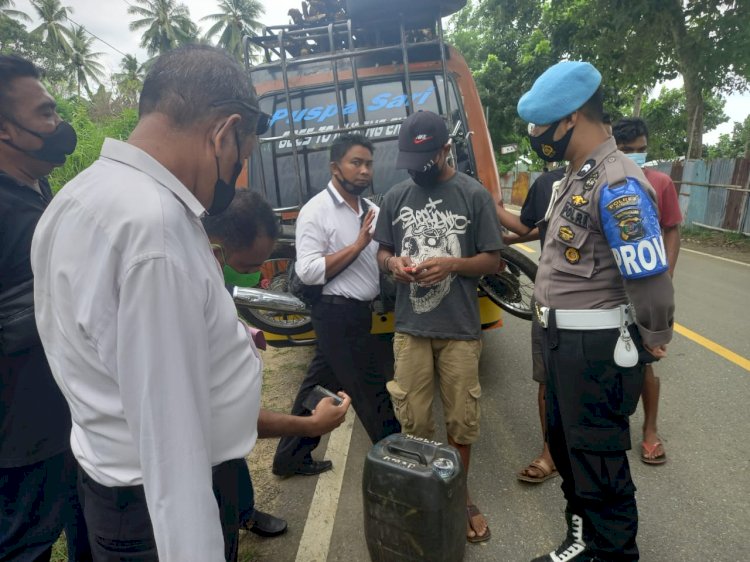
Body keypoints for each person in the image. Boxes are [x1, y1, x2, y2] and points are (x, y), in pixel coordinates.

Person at [31, 46, 351, 562]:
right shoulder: (155, 231)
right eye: (240, 157)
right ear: (223, 134)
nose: (233, 176)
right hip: (161, 508)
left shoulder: (75, 197)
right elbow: (172, 441)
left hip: (113, 490)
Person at [518, 61, 674, 561]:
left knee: (600, 462)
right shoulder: (572, 175)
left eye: (541, 126)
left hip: (597, 346)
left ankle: (614, 554)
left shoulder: (618, 182)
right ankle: (582, 543)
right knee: (568, 451)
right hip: (563, 339)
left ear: (571, 119)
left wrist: (653, 333)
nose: (537, 136)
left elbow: (647, 273)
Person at [374, 111, 503, 543]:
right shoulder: (395, 197)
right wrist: (394, 265)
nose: (416, 166)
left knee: (461, 422)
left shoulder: (473, 195)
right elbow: (383, 251)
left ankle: (457, 495)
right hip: (410, 326)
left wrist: (453, 264)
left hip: (460, 329)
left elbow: (493, 259)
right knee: (413, 420)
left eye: (425, 157)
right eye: (410, 158)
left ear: (446, 149)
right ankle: (424, 494)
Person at [0, 55, 91, 562]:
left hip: (68, 413)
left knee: (87, 527)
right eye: (46, 113)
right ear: (5, 130)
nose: (60, 126)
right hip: (21, 431)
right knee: (25, 545)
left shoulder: (39, 190)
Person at [272, 133, 400, 477]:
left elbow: (383, 257)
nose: (364, 171)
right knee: (372, 393)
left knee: (315, 386)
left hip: (360, 314)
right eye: (355, 163)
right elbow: (309, 270)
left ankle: (290, 457)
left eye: (368, 164)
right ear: (335, 167)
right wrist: (358, 246)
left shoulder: (372, 210)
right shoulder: (316, 211)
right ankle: (398, 464)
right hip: (334, 313)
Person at [202, 189, 288, 538]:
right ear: (219, 251)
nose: (256, 274)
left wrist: (244, 329)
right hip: (207, 427)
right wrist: (311, 424)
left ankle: (245, 512)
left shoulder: (212, 272)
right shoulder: (183, 282)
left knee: (232, 462)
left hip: (225, 424)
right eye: (251, 266)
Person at [613, 116, 682, 465]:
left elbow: (672, 228)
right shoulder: (605, 183)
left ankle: (650, 431)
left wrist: (665, 275)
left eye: (641, 150)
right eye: (627, 151)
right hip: (608, 290)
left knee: (645, 362)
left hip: (644, 290)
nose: (636, 157)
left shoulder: (660, 182)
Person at [496, 166, 565, 484]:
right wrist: (496, 211)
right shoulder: (549, 182)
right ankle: (550, 451)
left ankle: (591, 452)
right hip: (550, 297)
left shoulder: (620, 178)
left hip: (601, 302)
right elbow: (538, 224)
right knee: (548, 376)